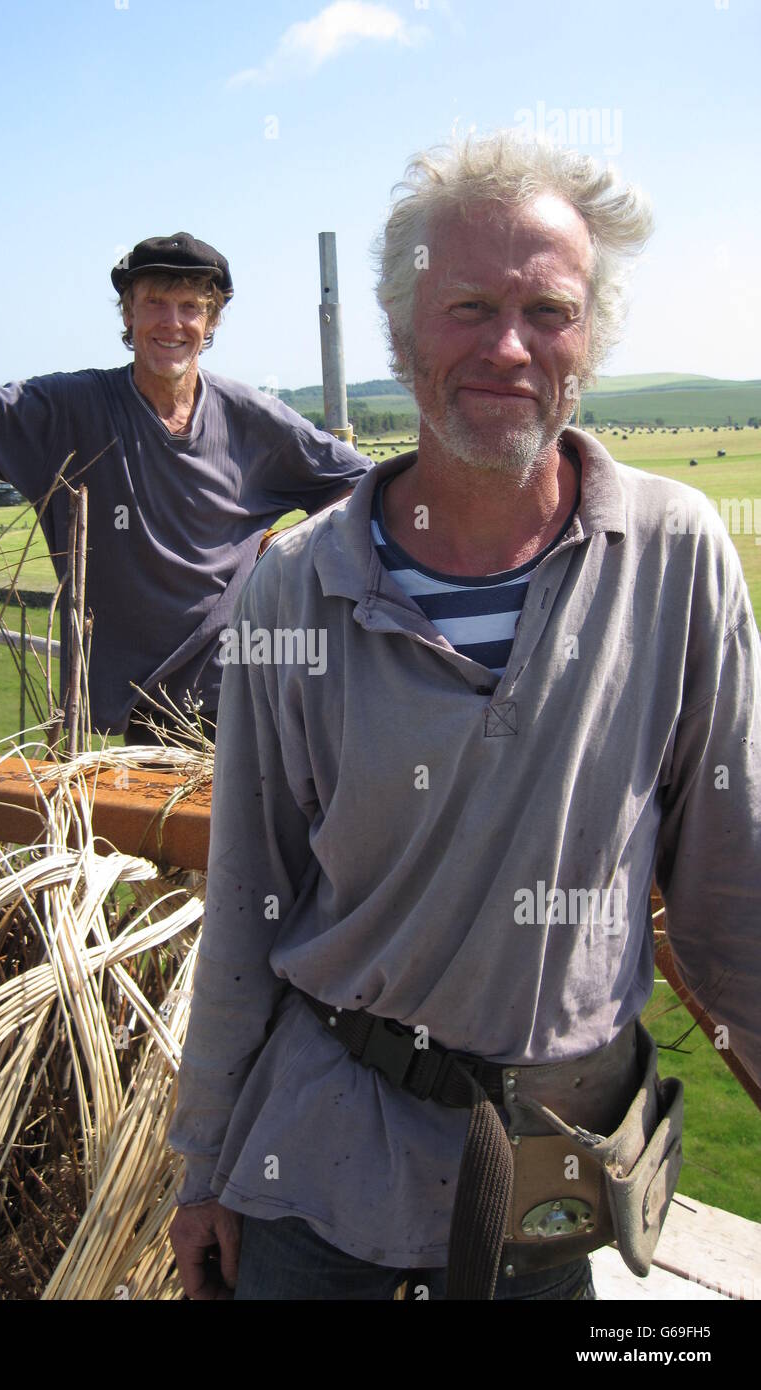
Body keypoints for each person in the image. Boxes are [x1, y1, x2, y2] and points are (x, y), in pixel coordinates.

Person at [167, 131, 761, 1300]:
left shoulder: (675, 555)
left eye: (550, 309)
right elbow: (250, 896)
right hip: (318, 1175)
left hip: (548, 1192)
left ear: (591, 338)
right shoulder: (299, 586)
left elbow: (736, 897)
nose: (508, 346)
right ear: (399, 335)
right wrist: (202, 1166)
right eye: (469, 306)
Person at [0, 227, 371, 739]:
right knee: (164, 862)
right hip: (149, 717)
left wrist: (286, 552)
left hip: (252, 699)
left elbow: (360, 482)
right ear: (128, 314)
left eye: (191, 306)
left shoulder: (248, 415)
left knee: (259, 862)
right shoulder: (74, 408)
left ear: (211, 320)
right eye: (154, 303)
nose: (173, 323)